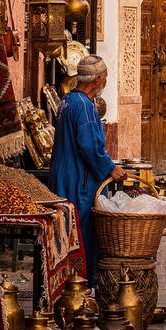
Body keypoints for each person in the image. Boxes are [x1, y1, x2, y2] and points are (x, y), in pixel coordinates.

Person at [48, 55, 126, 277]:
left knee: (65, 232)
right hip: (78, 180)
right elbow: (90, 146)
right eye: (105, 77)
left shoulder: (68, 100)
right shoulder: (83, 106)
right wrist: (111, 168)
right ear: (98, 79)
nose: (105, 81)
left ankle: (67, 280)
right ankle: (81, 283)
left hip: (63, 174)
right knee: (81, 232)